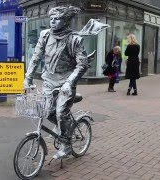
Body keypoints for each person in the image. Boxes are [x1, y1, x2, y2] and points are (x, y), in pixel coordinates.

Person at [24, 6, 108, 159]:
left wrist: (69, 83)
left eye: (57, 19)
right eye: (51, 19)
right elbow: (36, 57)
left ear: (66, 21)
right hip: (49, 80)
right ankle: (63, 128)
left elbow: (82, 64)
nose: (53, 21)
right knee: (46, 111)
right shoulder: (44, 35)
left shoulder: (75, 39)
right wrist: (28, 77)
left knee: (60, 112)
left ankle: (66, 145)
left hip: (66, 82)